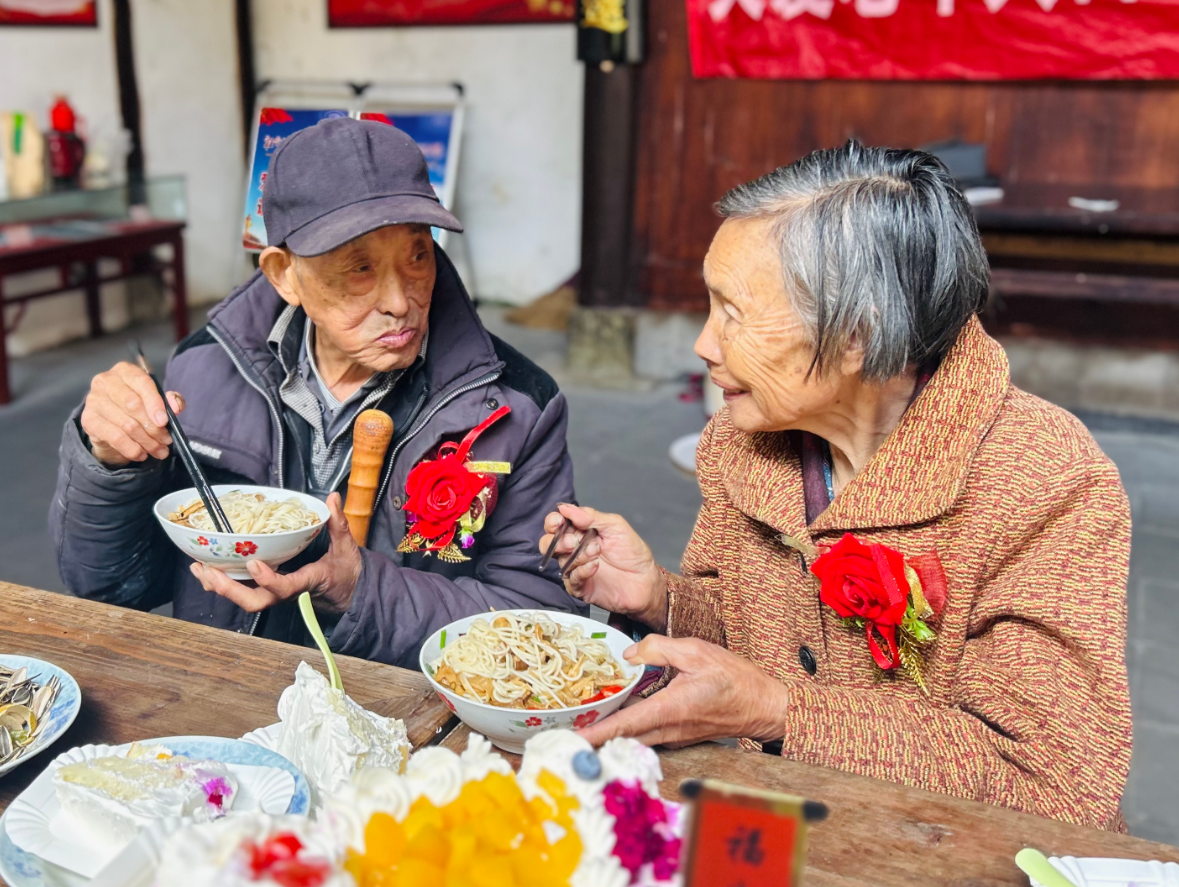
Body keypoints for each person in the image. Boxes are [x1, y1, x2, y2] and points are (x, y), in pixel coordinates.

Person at [540, 142, 1132, 830]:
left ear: (857, 334)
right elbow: (744, 637)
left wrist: (779, 711)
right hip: (777, 831)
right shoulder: (742, 438)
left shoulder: (1045, 477)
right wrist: (660, 599)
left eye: (733, 312)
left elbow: (1055, 783)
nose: (704, 343)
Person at [51, 117, 581, 667]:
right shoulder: (207, 366)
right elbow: (113, 585)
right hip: (231, 690)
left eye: (418, 256)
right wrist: (110, 466)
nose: (399, 301)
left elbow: (541, 625)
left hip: (401, 709)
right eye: (360, 267)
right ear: (284, 274)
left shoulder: (512, 407)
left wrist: (360, 593)